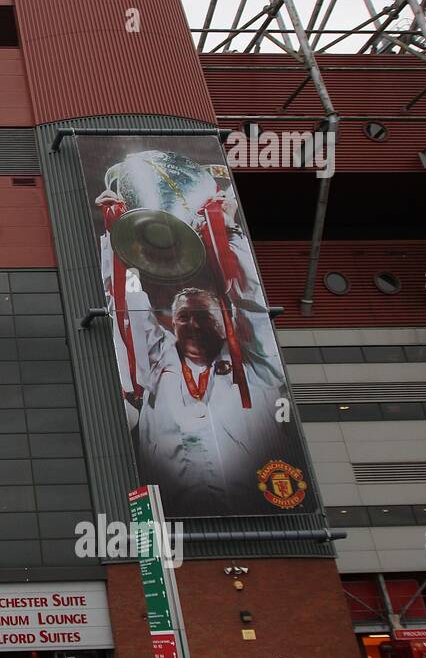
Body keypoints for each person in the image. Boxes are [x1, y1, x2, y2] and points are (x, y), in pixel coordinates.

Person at [97, 184, 297, 517]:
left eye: (203, 316)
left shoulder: (257, 365)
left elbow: (251, 304)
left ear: (225, 321)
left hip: (262, 513)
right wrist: (118, 240)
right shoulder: (156, 365)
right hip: (175, 520)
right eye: (184, 317)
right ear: (172, 325)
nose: (193, 324)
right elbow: (128, 304)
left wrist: (228, 232)